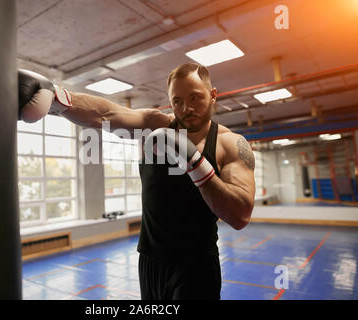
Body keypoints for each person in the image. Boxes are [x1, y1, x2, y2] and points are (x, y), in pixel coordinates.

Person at [18, 63, 256, 300]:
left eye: (195, 98)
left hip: (197, 266)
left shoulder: (230, 144)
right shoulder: (155, 125)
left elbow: (240, 215)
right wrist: (59, 97)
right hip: (150, 262)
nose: (187, 108)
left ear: (213, 95)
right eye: (177, 101)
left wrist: (196, 163)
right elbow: (106, 114)